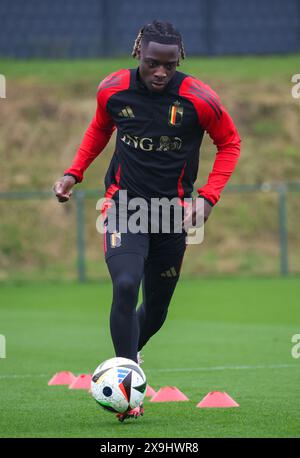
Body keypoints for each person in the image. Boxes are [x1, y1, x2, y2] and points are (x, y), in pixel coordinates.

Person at [53, 20, 241, 421]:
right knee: (125, 285)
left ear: (180, 60)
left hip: (172, 215)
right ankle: (127, 389)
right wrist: (74, 172)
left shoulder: (199, 99)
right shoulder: (113, 89)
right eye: (153, 63)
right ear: (139, 53)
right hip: (124, 207)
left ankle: (131, 353)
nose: (160, 73)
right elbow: (100, 129)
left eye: (169, 65)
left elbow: (230, 142)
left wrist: (207, 198)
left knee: (155, 311)